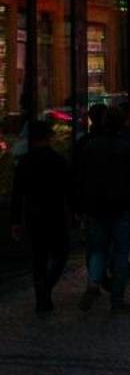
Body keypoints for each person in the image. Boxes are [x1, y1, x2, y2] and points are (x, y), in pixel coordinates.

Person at [73, 105, 130, 312]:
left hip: (96, 207)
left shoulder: (90, 146)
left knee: (97, 248)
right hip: (122, 206)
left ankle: (94, 282)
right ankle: (117, 299)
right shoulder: (127, 148)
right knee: (121, 253)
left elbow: (80, 178)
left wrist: (79, 206)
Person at [9, 118, 74, 313]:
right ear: (49, 136)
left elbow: (17, 193)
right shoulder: (58, 160)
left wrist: (15, 221)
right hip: (55, 213)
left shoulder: (25, 162)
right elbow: (69, 189)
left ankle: (41, 297)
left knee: (39, 258)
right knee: (60, 254)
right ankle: (46, 287)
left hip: (33, 214)